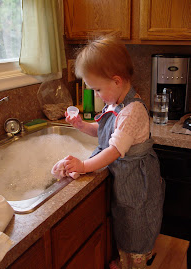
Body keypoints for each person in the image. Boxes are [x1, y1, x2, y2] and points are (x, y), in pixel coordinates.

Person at [63, 36, 165, 269]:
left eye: (97, 89)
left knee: (136, 223)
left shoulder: (132, 111)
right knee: (124, 222)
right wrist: (81, 125)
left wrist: (84, 166)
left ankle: (135, 264)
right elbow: (104, 130)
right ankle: (125, 261)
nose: (96, 95)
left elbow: (114, 150)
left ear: (116, 81)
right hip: (126, 178)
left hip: (137, 181)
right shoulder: (115, 104)